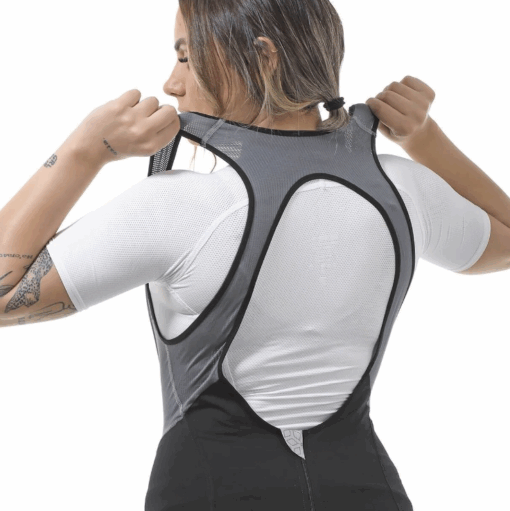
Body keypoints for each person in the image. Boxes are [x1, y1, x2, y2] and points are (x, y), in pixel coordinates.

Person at [1, 1, 509, 510]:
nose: (172, 84)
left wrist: (85, 150)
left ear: (262, 57)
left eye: (186, 57)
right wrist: (424, 139)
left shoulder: (182, 206)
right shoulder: (403, 189)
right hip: (368, 491)